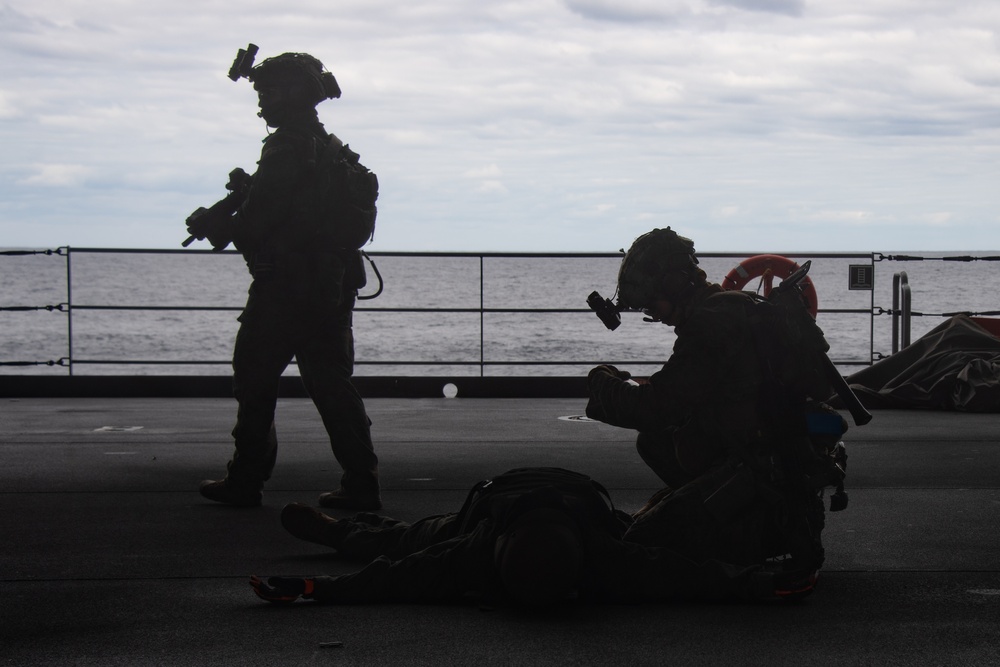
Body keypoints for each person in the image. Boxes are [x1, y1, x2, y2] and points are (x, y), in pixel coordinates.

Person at [585, 228, 846, 575]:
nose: (657, 315)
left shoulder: (711, 323)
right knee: (655, 442)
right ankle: (738, 523)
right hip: (768, 458)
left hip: (756, 471)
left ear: (677, 285)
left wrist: (601, 382)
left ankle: (748, 539)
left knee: (640, 543)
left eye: (654, 304)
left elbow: (655, 407)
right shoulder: (731, 308)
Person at [192, 50, 380, 510]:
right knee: (333, 386)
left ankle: (246, 480)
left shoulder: (284, 148)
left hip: (285, 287)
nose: (262, 104)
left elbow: (259, 220)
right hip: (330, 285)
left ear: (294, 94)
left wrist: (216, 225)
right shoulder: (332, 149)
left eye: (269, 92)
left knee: (254, 380)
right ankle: (361, 483)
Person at [249, 467, 810, 605]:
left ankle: (345, 532)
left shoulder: (600, 556)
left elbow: (687, 576)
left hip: (566, 504)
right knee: (403, 542)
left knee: (407, 545)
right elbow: (392, 578)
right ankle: (343, 531)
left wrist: (310, 589)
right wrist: (765, 582)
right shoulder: (476, 550)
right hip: (498, 506)